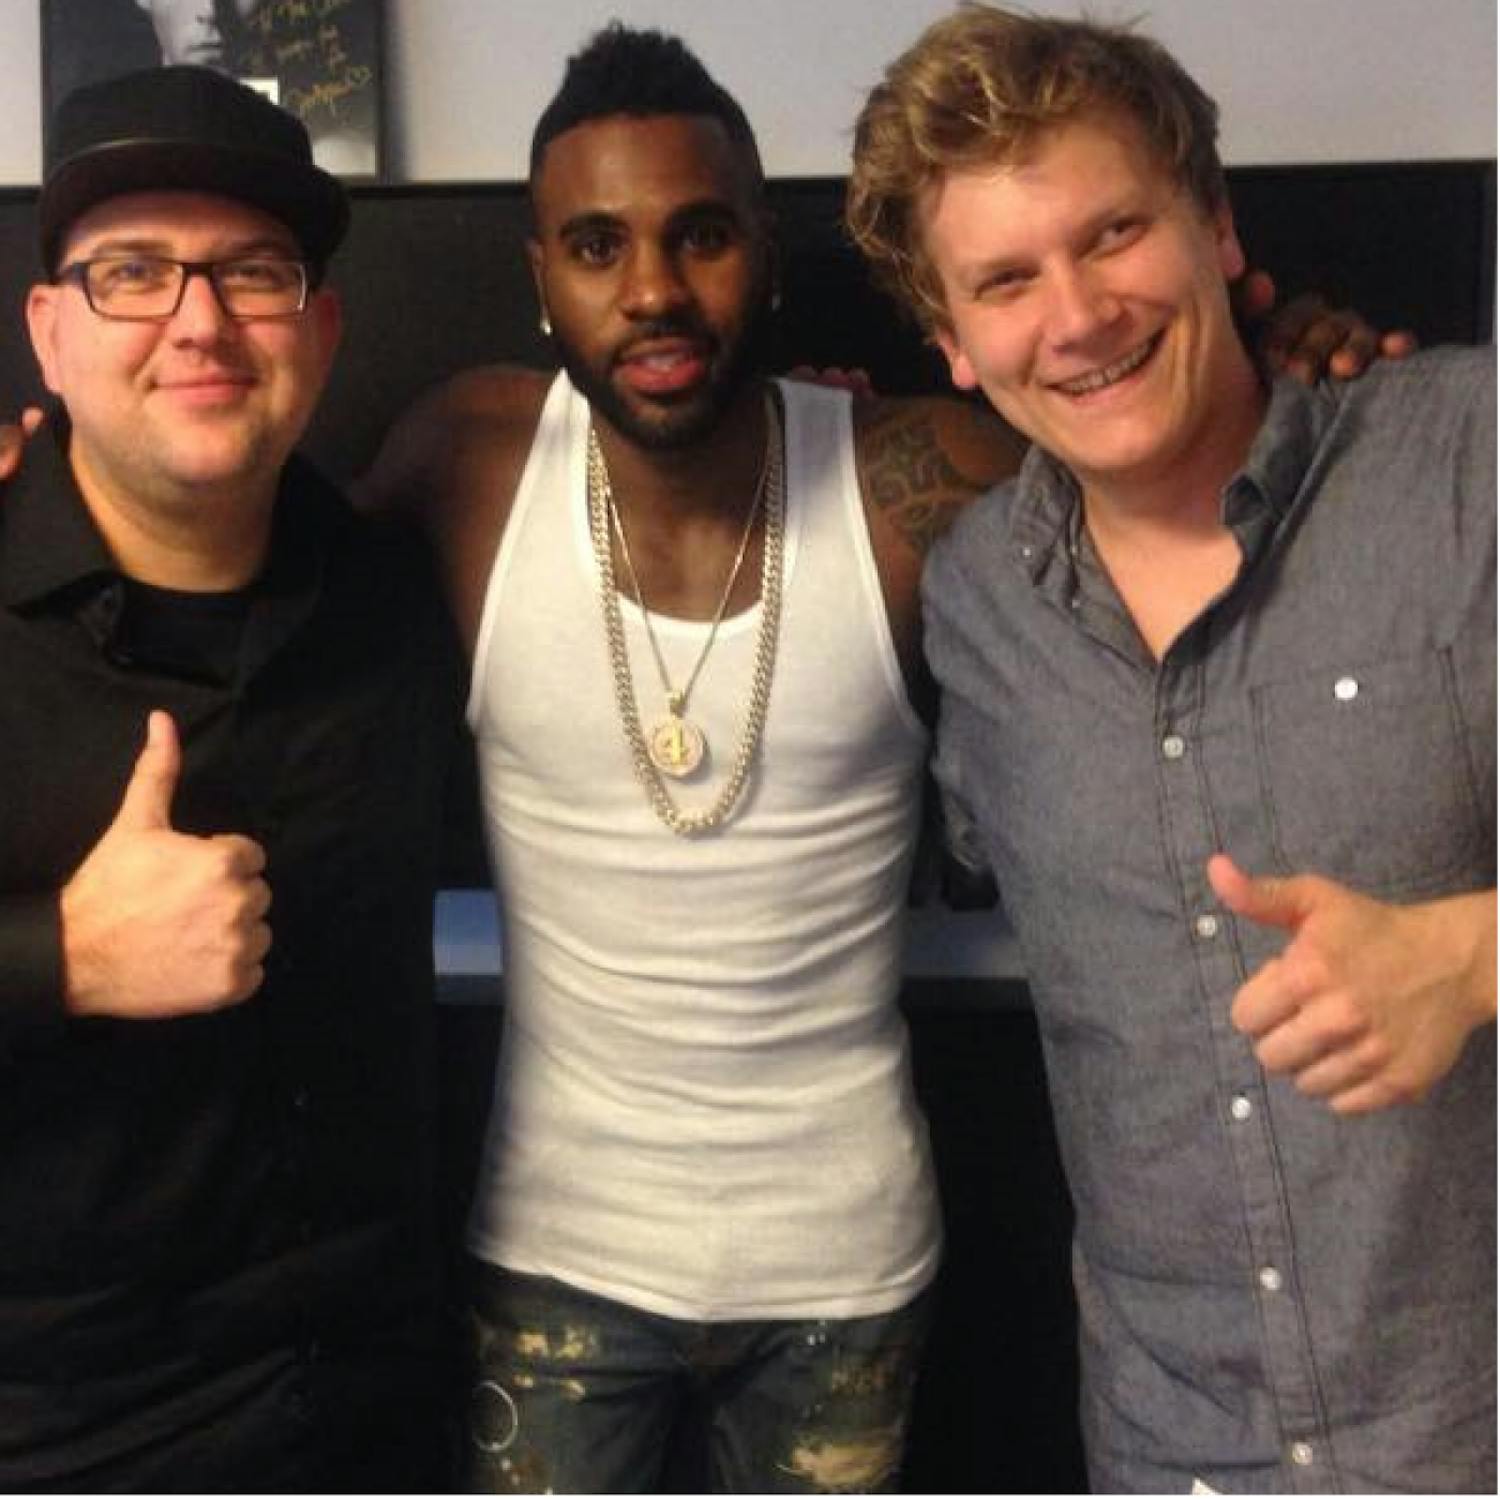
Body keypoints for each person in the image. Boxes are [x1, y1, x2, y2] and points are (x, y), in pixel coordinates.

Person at [356, 23, 1400, 1494]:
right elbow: (250, 578)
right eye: (597, 246)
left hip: (843, 1273)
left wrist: (1293, 354)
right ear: (541, 277)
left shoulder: (921, 476)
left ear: (766, 254)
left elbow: (1156, 446)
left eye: (701, 235)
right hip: (552, 1259)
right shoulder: (466, 462)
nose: (653, 290)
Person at [846, 6, 1496, 1492]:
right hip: (1174, 1452)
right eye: (1005, 281)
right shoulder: (976, 607)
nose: (1077, 317)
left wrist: (1473, 955)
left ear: (1216, 225)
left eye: (1115, 233)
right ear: (953, 344)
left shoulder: (1468, 460)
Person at [0, 64, 461, 1488]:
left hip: (387, 1414)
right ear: (49, 332)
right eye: (133, 271)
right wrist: (62, 959)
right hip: (67, 1439)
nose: (199, 320)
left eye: (254, 272)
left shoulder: (403, 591)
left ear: (321, 329)